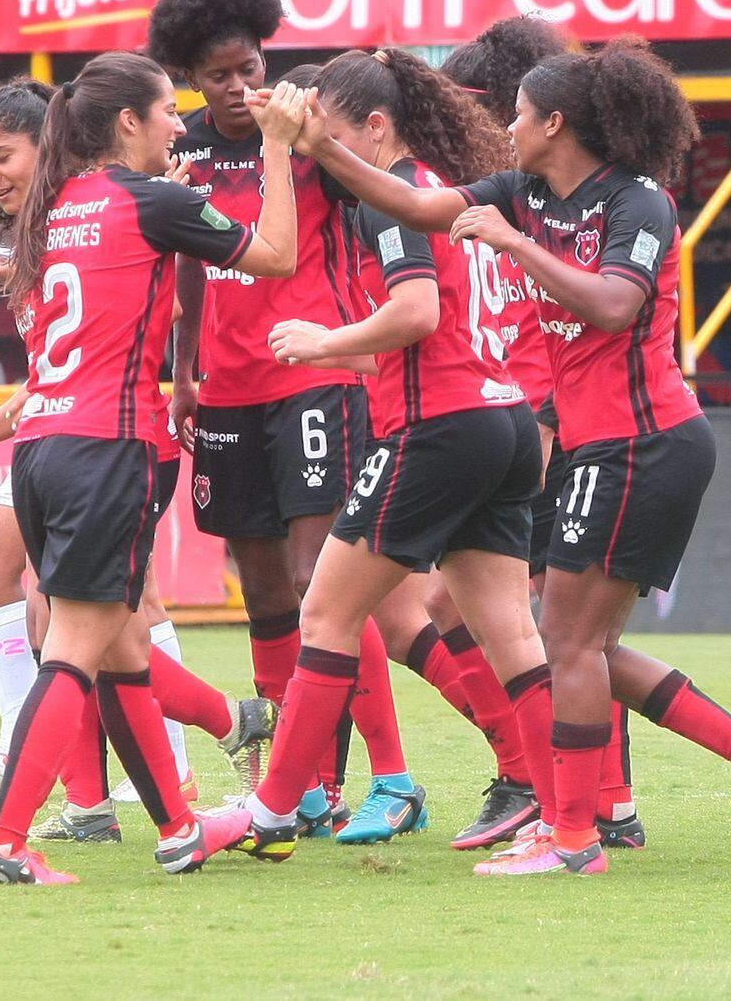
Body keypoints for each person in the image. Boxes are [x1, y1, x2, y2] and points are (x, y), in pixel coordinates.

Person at [290, 36, 731, 876]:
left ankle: (572, 837)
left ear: (556, 122)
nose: (509, 127)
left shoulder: (638, 203)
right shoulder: (524, 191)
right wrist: (321, 148)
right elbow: (415, 205)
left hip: (644, 440)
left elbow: (613, 305)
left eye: (522, 113)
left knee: (566, 643)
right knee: (583, 646)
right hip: (596, 443)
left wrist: (516, 245)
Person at [0, 51, 307, 884]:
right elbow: (277, 255)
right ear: (128, 120)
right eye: (168, 110)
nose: (179, 125)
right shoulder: (150, 200)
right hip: (110, 448)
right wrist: (275, 146)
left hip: (41, 450)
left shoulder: (47, 213)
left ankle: (180, 827)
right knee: (76, 650)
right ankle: (5, 842)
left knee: (124, 649)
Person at [229, 47, 562, 869]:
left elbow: (415, 314)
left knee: (325, 615)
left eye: (336, 139)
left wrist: (322, 342)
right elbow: (424, 340)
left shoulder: (395, 197)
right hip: (501, 420)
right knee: (512, 634)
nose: (328, 158)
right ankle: (568, 816)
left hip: (439, 428)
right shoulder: (444, 190)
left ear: (376, 128)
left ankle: (273, 810)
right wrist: (343, 353)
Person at [147, 0, 428, 844]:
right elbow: (189, 260)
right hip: (227, 390)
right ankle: (301, 785)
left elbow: (387, 194)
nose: (240, 87)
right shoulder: (185, 149)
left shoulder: (306, 137)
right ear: (192, 79)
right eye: (219, 75)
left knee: (321, 583)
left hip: (315, 376)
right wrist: (185, 373)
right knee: (264, 591)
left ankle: (392, 775)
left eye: (250, 67)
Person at [427, 15, 643, 851]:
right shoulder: (517, 194)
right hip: (533, 417)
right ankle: (585, 795)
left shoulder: (555, 202)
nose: (484, 121)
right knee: (565, 629)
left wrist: (545, 425)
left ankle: (553, 785)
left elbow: (561, 323)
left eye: (485, 105)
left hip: (553, 425)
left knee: (560, 628)